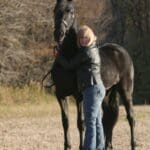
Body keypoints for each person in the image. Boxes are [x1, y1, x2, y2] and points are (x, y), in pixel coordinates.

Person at [56, 25, 106, 150]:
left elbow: (69, 65)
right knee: (97, 122)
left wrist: (58, 56)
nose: (83, 40)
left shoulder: (87, 52)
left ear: (91, 37)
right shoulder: (92, 48)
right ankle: (99, 147)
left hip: (91, 89)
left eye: (86, 37)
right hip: (97, 88)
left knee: (90, 123)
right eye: (81, 38)